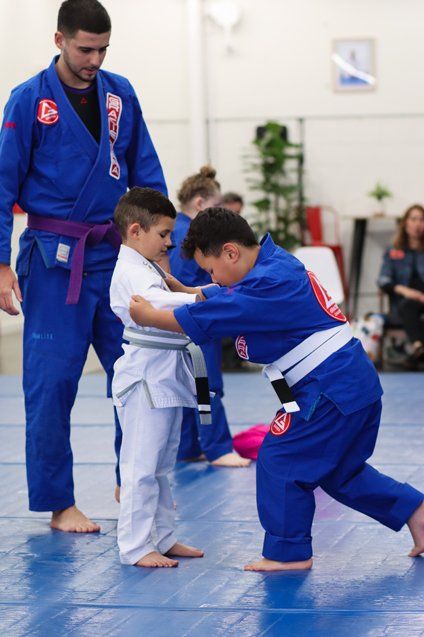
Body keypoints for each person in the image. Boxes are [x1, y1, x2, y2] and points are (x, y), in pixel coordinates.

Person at [129, 208, 424, 571]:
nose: (213, 278)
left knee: (281, 459)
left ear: (231, 252)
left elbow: (214, 313)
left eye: (211, 269)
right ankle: (416, 510)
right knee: (339, 471)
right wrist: (193, 292)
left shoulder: (267, 285)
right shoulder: (275, 264)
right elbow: (232, 295)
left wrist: (147, 316)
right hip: (351, 386)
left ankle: (288, 553)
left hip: (329, 390)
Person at [0, 0, 167, 533]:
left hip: (116, 255)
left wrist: (162, 250)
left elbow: (146, 175)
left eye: (102, 49)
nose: (94, 59)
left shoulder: (121, 93)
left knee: (138, 375)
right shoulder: (28, 101)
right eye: (84, 48)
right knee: (51, 384)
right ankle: (58, 502)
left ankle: (133, 483)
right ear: (59, 40)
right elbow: (2, 186)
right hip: (53, 259)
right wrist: (1, 266)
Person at [111, 187, 205, 567]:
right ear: (136, 231)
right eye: (163, 234)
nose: (169, 241)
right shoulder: (130, 270)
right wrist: (208, 300)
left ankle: (163, 537)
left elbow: (172, 296)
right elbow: (160, 305)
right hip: (145, 378)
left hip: (166, 373)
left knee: (163, 467)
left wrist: (202, 294)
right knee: (140, 467)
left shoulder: (148, 265)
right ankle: (135, 547)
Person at [169, 167, 250, 467]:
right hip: (195, 320)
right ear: (201, 204)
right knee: (207, 385)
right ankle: (218, 449)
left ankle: (189, 447)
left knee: (192, 386)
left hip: (190, 318)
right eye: (216, 207)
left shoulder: (180, 230)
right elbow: (182, 282)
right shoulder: (185, 234)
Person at [378, 204, 424, 369]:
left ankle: (416, 351)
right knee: (408, 305)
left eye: (421, 219)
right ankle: (418, 348)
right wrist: (405, 291)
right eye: (414, 219)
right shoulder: (393, 251)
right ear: (405, 223)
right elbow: (383, 280)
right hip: (404, 303)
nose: (418, 224)